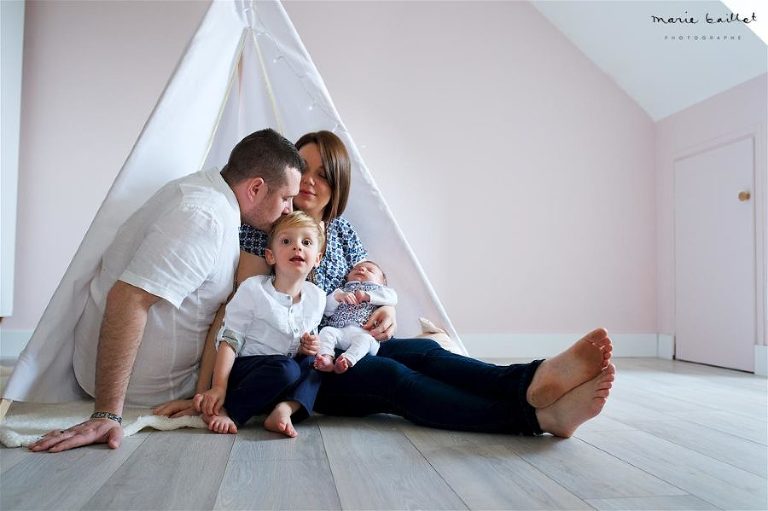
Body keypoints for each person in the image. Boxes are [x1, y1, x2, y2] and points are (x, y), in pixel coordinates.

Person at [156, 130, 615, 439]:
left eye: (323, 174)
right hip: (305, 366)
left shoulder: (343, 230)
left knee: (427, 352)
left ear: (337, 185)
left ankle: (531, 380)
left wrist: (388, 311)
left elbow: (372, 279)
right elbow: (235, 315)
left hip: (347, 340)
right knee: (396, 377)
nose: (312, 183)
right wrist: (203, 391)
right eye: (305, 171)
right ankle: (531, 416)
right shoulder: (265, 227)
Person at [29, 128, 305, 453]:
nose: (289, 209)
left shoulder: (201, 191)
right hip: (144, 390)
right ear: (256, 187)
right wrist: (107, 414)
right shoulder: (205, 218)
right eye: (286, 198)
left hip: (117, 373)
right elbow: (128, 299)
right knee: (298, 365)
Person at [195, 211, 326, 438]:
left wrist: (308, 346)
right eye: (286, 241)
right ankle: (230, 410)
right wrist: (218, 387)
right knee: (287, 368)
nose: (297, 247)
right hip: (247, 372)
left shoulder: (317, 298)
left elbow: (304, 344)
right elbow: (229, 340)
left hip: (285, 376)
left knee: (319, 362)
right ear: (270, 256)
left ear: (317, 258)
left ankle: (285, 409)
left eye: (306, 242)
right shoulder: (253, 290)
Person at [314, 260, 397, 374]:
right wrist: (338, 297)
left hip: (366, 334)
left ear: (381, 282)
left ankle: (346, 360)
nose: (361, 269)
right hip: (341, 332)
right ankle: (326, 358)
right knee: (327, 331)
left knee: (364, 340)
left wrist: (368, 296)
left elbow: (392, 298)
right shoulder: (341, 291)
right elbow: (326, 310)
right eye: (356, 268)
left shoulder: (380, 292)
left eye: (370, 270)